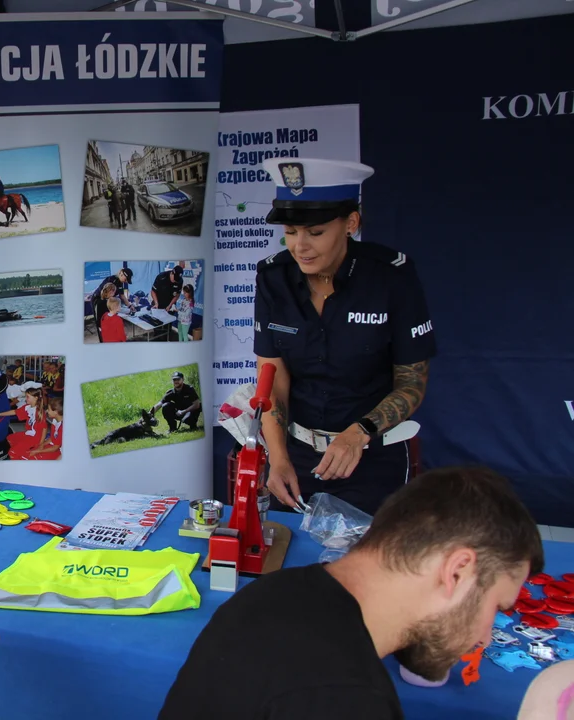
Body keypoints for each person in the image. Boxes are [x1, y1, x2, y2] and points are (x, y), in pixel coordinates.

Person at [158, 465, 545, 720]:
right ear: (457, 571)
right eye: (497, 606)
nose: (486, 635)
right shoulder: (348, 700)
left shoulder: (277, 590)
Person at [253, 157, 437, 516]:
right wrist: (277, 458)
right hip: (295, 458)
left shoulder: (392, 278)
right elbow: (271, 380)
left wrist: (359, 432)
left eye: (315, 232)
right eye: (291, 232)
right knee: (288, 564)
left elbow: (412, 383)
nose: (300, 246)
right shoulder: (272, 278)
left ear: (351, 222)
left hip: (371, 458)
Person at [92, 267, 133, 341]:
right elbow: (114, 306)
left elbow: (122, 295)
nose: (126, 281)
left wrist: (129, 306)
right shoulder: (111, 280)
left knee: (108, 322)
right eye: (126, 279)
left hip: (105, 301)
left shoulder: (120, 283)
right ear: (122, 275)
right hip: (98, 301)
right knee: (102, 323)